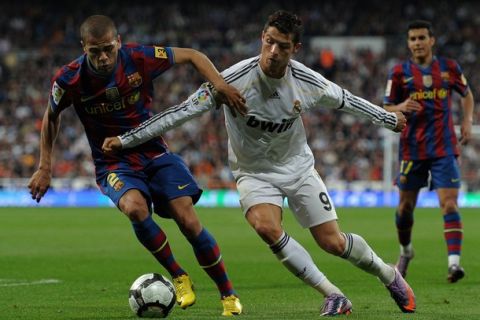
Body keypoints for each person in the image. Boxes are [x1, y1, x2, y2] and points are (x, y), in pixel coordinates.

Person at [103, 11, 416, 315]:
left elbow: (348, 101)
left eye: (282, 45)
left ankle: (388, 274)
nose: (273, 51)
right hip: (253, 172)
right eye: (269, 42)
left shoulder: (308, 82)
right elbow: (180, 112)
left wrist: (388, 119)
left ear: (296, 49)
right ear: (261, 39)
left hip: (298, 168)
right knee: (266, 227)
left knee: (332, 243)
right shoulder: (232, 80)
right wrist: (127, 139)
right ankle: (334, 295)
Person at [27, 15, 247, 316]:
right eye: (95, 52)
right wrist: (45, 166)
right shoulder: (69, 79)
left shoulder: (138, 57)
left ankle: (228, 294)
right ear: (83, 48)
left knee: (188, 220)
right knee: (135, 208)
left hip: (155, 152)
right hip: (113, 163)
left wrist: (219, 85)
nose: (103, 57)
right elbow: (51, 116)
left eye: (108, 49)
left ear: (118, 41)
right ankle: (179, 275)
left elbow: (193, 55)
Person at [383, 20, 474, 283]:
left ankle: (454, 264)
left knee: (449, 203)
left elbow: (466, 94)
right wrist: (400, 105)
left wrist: (467, 120)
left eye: (422, 37)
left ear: (432, 40)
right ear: (408, 43)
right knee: (405, 209)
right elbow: (386, 107)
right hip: (412, 150)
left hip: (444, 147)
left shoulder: (449, 67)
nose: (417, 43)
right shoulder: (399, 72)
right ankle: (406, 251)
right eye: (412, 39)